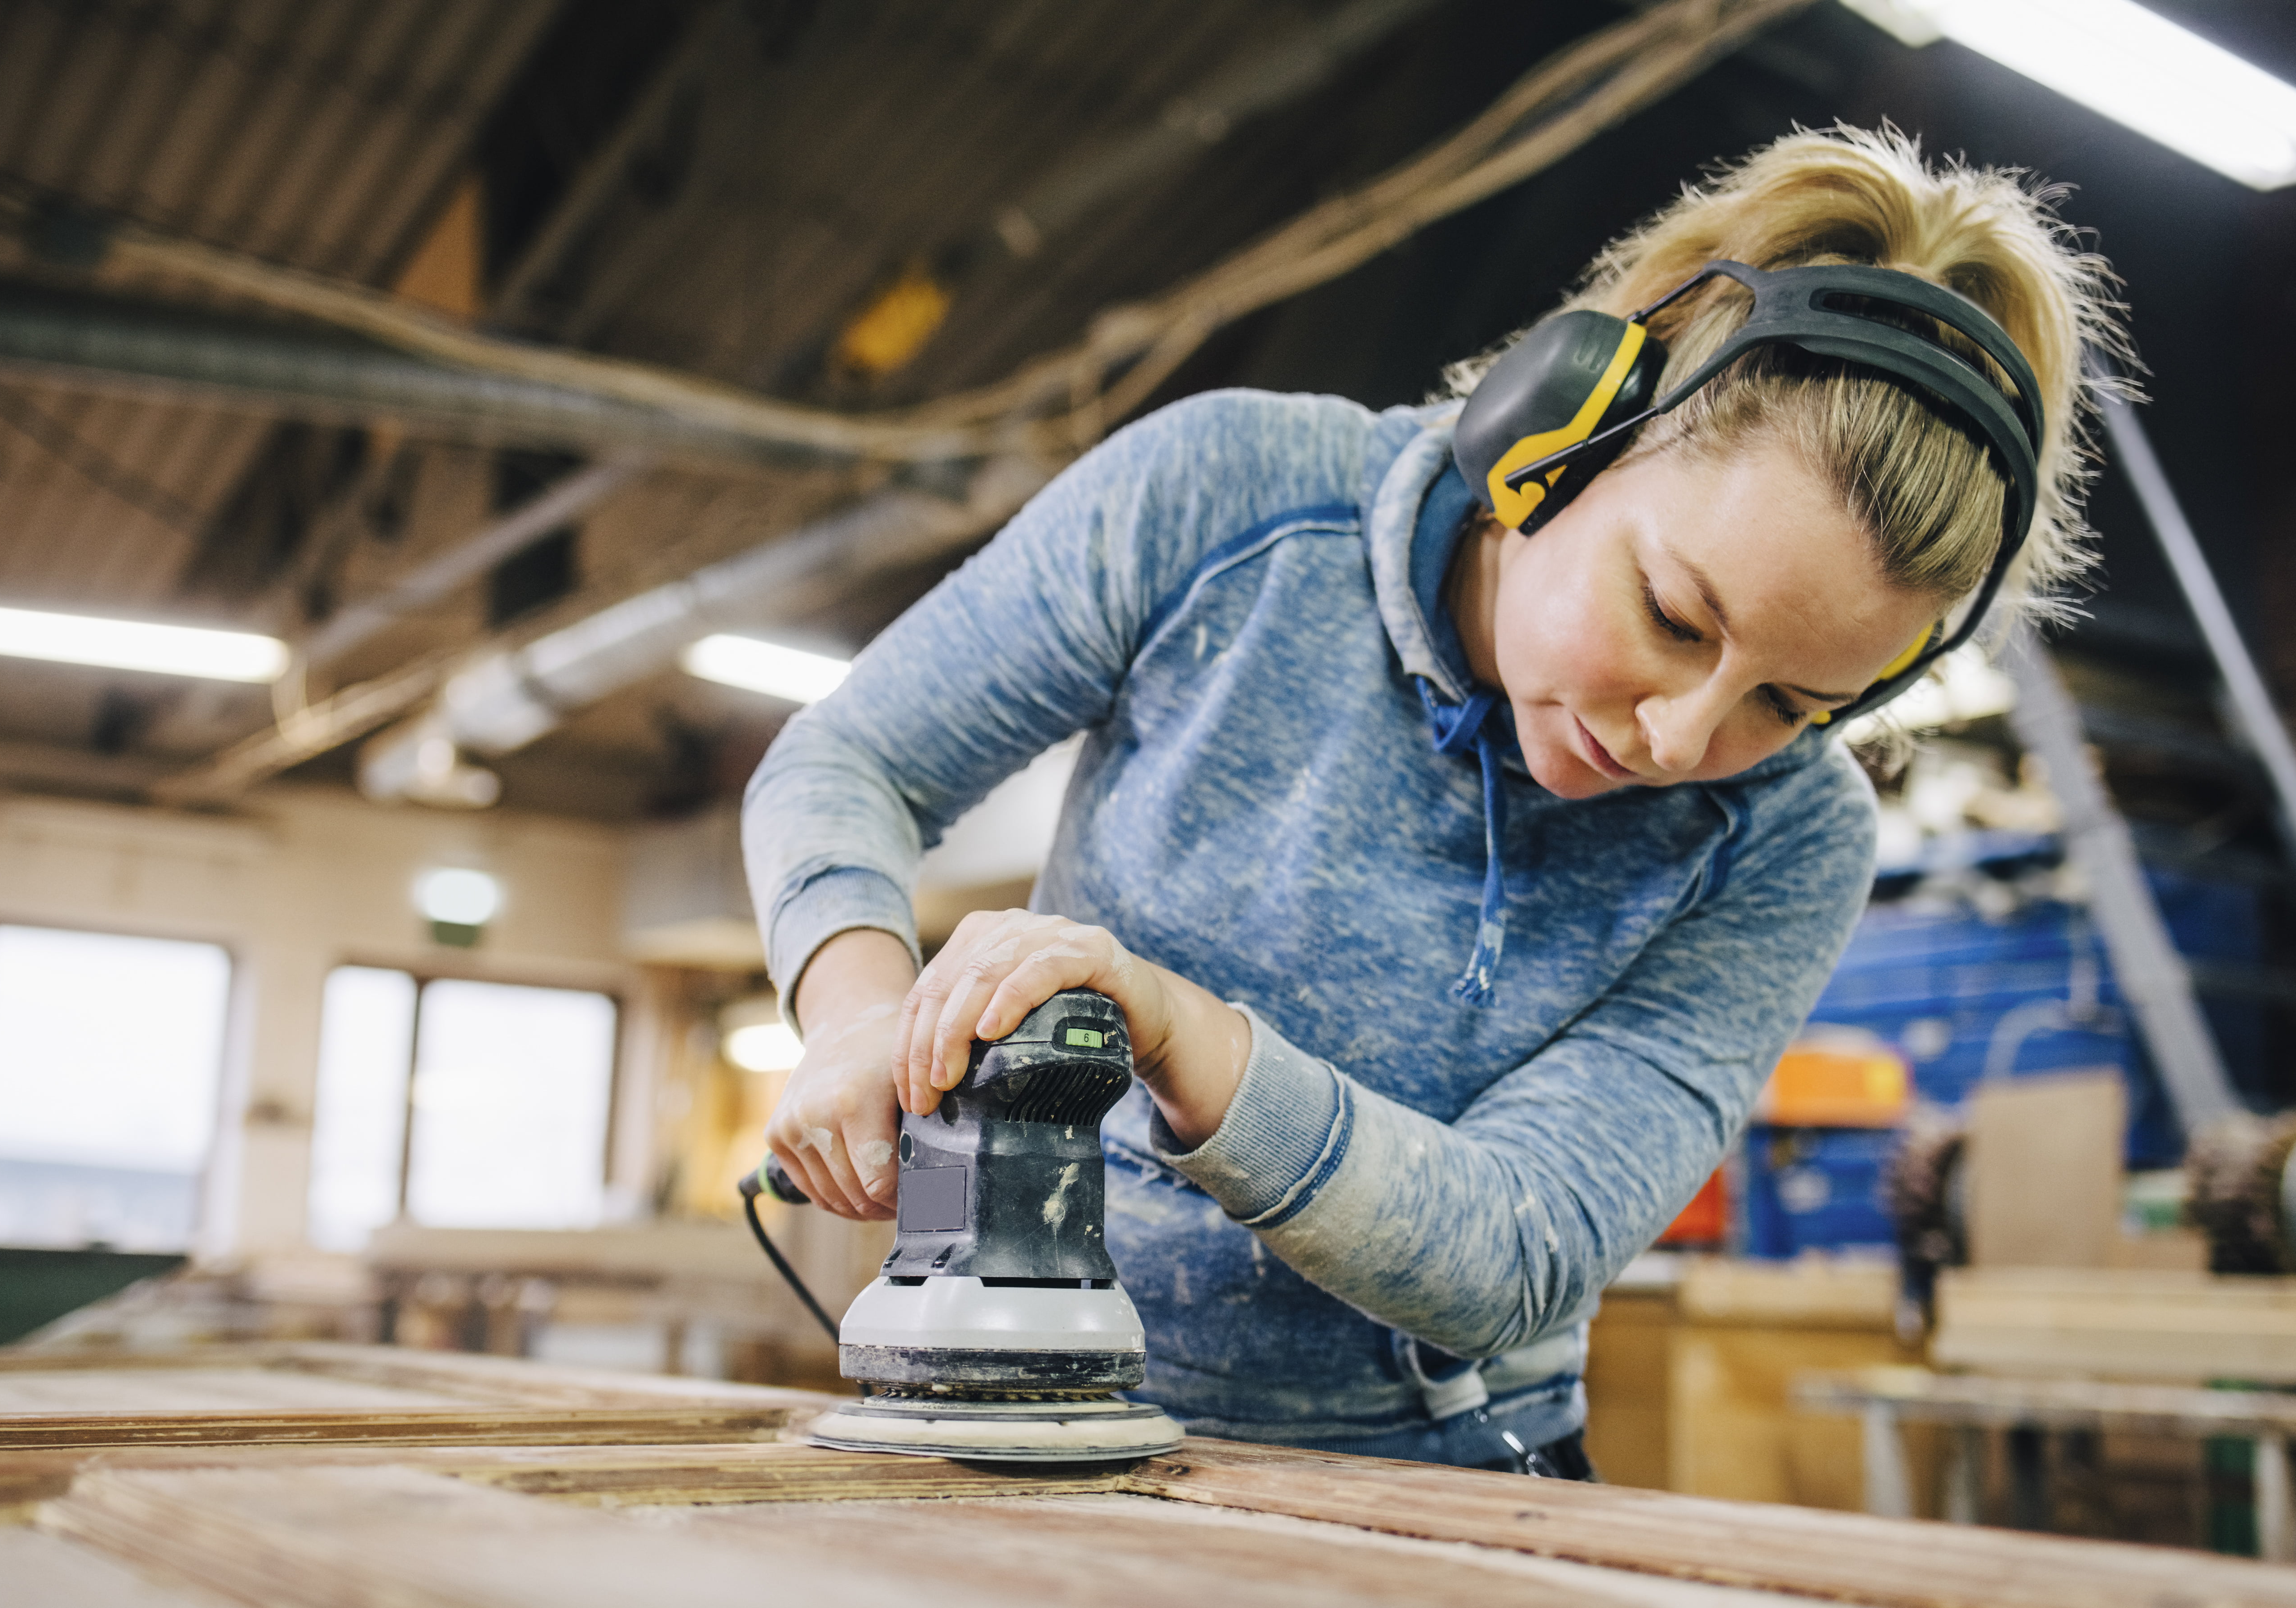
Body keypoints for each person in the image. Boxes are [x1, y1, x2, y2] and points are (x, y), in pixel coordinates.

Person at [741, 125, 2116, 1473]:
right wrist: (860, 1017)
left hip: (1452, 1478)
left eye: (1791, 705)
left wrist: (1179, 1032)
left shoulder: (1785, 838)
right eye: (1675, 616)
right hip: (1033, 1430)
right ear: (1557, 432)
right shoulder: (1226, 502)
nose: (1681, 735)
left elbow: (1514, 1256)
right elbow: (850, 761)